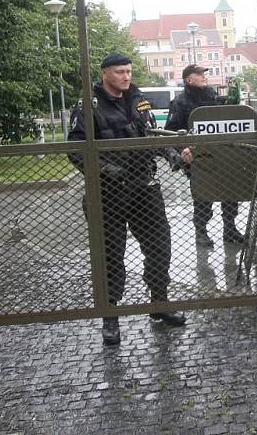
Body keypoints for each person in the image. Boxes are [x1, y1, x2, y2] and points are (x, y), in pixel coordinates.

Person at [68, 53, 186, 346]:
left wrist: (171, 153)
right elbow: (76, 149)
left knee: (160, 245)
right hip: (108, 191)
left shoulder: (138, 99)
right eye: (120, 72)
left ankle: (159, 303)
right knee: (111, 256)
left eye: (129, 71)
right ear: (105, 73)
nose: (126, 76)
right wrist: (107, 169)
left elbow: (149, 135)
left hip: (144, 186)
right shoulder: (89, 104)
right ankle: (110, 316)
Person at [165, 64, 245, 248]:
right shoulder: (180, 102)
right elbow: (171, 131)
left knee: (230, 190)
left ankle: (230, 228)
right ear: (188, 79)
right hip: (198, 155)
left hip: (221, 153)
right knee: (203, 195)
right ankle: (201, 231)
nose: (204, 76)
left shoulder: (212, 96)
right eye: (199, 74)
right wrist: (183, 148)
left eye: (204, 74)